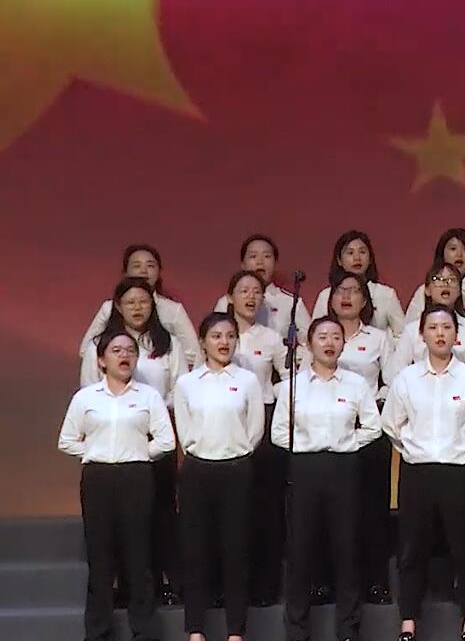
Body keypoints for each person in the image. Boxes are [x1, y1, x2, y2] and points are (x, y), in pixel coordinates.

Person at [382, 305, 465, 641]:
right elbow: (391, 424)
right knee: (411, 552)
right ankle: (408, 627)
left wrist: (463, 451)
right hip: (418, 472)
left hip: (459, 471)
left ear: (457, 335)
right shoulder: (407, 379)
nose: (440, 333)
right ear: (422, 335)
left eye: (447, 327)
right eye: (433, 327)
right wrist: (413, 450)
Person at [60, 330, 176, 641]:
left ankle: (145, 638)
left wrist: (138, 454)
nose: (124, 355)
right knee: (100, 562)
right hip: (97, 478)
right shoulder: (86, 398)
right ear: (101, 360)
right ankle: (98, 639)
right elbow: (67, 440)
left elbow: (166, 441)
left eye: (130, 350)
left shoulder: (148, 396)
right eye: (116, 350)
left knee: (139, 560)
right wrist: (95, 453)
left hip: (137, 477)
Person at [274, 317, 382, 641]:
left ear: (343, 344)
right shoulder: (291, 386)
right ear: (308, 344)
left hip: (344, 469)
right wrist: (307, 447)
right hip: (304, 470)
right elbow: (279, 433)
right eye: (322, 336)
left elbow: (373, 428)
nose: (330, 342)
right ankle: (296, 637)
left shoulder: (356, 384)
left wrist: (347, 444)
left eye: (336, 336)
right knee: (300, 553)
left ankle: (349, 633)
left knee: (346, 551)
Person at [79, 277, 187, 607]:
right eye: (130, 302)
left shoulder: (168, 343)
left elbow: (180, 387)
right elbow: (89, 391)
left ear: (153, 305)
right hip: (116, 445)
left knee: (160, 513)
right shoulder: (100, 345)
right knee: (118, 523)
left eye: (144, 301)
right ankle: (121, 587)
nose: (138, 308)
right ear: (118, 307)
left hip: (156, 435)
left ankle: (163, 582)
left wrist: (155, 415)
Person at [174, 312, 265, 641]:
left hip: (237, 470)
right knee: (195, 552)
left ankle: (235, 632)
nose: (224, 342)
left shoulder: (247, 380)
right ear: (203, 342)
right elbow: (185, 431)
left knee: (235, 551)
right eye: (216, 336)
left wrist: (236, 453)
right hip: (198, 471)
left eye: (229, 336)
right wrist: (201, 453)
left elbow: (255, 429)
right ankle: (196, 632)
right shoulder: (187, 383)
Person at [222, 270, 291, 607]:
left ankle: (265, 586)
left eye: (256, 292)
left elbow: (290, 376)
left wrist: (273, 396)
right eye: (243, 290)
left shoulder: (271, 338)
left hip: (264, 423)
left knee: (266, 509)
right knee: (230, 510)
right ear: (230, 297)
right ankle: (228, 585)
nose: (250, 297)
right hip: (228, 424)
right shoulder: (221, 333)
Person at [327, 273, 396, 604]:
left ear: (365, 301)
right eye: (341, 290)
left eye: (354, 291)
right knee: (333, 510)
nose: (347, 296)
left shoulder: (379, 338)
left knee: (372, 510)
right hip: (330, 429)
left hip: (369, 428)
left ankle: (375, 582)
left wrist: (371, 401)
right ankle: (329, 582)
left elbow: (392, 380)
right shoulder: (322, 335)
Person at [79, 243, 199, 371]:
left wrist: (165, 361)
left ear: (159, 271)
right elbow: (86, 350)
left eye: (150, 266)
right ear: (125, 272)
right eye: (137, 266)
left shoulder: (173, 310)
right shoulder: (109, 307)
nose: (143, 271)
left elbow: (193, 353)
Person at [387, 262, 465, 384]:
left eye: (452, 280)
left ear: (459, 291)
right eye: (438, 279)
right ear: (427, 290)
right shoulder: (412, 329)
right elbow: (395, 373)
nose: (445, 283)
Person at [406, 227, 465, 352]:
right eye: (453, 249)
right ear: (442, 254)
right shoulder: (424, 290)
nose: (459, 254)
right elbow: (410, 330)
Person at [213, 234, 311, 339]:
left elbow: (310, 341)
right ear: (243, 264)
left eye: (267, 256)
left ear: (275, 263)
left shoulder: (291, 303)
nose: (260, 262)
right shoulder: (227, 302)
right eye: (253, 256)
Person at [311, 230, 407, 337]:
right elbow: (314, 335)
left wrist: (384, 342)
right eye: (350, 253)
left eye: (362, 252)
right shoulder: (325, 295)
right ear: (339, 260)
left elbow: (402, 334)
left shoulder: (386, 294)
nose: (357, 258)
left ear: (370, 259)